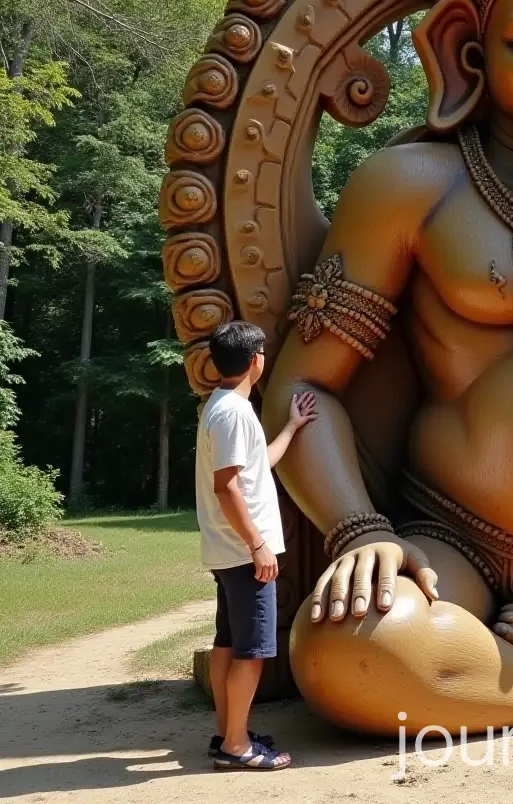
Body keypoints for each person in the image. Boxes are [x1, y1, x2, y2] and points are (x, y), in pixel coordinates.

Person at [196, 321, 317, 771]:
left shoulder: (226, 408)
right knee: (252, 651)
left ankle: (229, 733)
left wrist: (291, 427)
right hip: (243, 554)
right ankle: (235, 747)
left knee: (228, 643)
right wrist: (258, 546)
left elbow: (254, 468)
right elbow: (227, 487)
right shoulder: (231, 413)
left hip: (231, 552)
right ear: (255, 361)